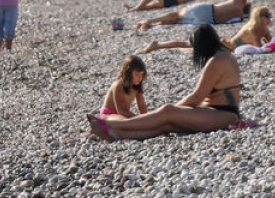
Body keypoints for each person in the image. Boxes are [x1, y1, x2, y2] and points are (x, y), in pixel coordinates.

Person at [87, 24, 241, 141]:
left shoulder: (216, 61)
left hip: (224, 114)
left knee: (168, 111)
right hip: (217, 112)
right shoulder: (224, 53)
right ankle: (118, 134)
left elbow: (197, 97)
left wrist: (172, 110)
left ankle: (111, 125)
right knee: (167, 125)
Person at [139, 5, 274, 54]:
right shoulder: (251, 30)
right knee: (188, 44)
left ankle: (160, 44)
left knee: (189, 45)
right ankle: (157, 45)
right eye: (267, 15)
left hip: (225, 46)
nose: (269, 17)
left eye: (269, 15)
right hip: (219, 46)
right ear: (259, 17)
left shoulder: (262, 29)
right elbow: (261, 48)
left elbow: (271, 44)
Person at [97, 55, 148, 120]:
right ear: (128, 73)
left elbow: (141, 105)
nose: (140, 78)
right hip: (108, 114)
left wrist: (146, 118)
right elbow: (121, 111)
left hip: (122, 115)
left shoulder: (136, 87)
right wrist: (137, 118)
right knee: (126, 121)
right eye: (137, 74)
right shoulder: (118, 86)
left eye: (142, 75)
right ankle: (97, 124)